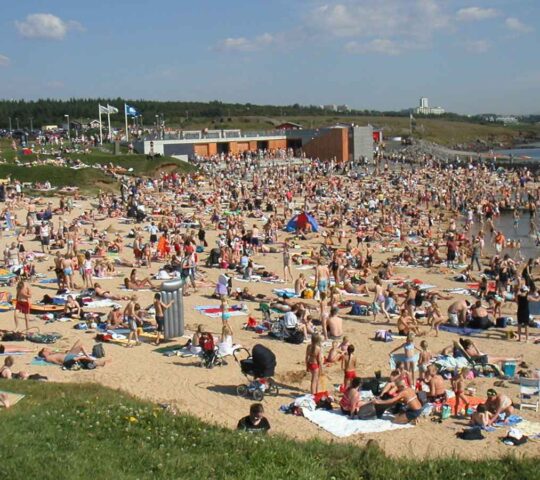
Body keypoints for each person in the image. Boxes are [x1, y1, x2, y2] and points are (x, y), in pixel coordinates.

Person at [38, 340, 108, 368]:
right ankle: (89, 358)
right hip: (67, 359)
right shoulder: (47, 358)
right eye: (45, 350)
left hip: (68, 355)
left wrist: (65, 351)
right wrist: (63, 364)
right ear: (44, 353)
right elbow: (57, 362)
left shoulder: (51, 355)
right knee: (81, 346)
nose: (47, 349)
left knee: (79, 342)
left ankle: (90, 358)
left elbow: (59, 354)